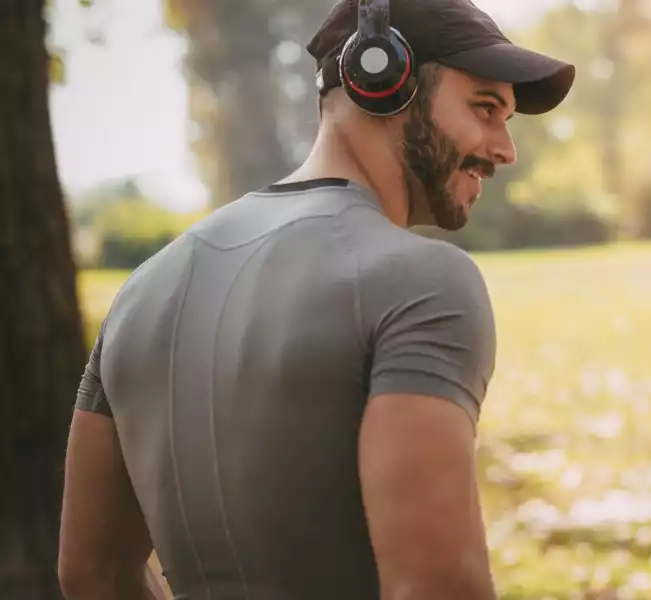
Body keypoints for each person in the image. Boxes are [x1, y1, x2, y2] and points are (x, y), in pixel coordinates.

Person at [57, 0, 575, 598]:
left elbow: (90, 574)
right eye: (485, 109)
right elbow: (438, 586)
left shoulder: (142, 291)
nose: (505, 148)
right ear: (384, 80)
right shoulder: (423, 283)